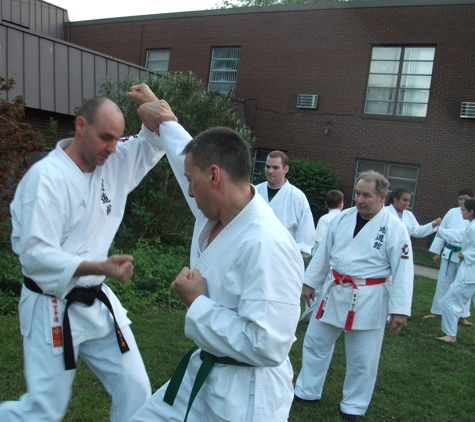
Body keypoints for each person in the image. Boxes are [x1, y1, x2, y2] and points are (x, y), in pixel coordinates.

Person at [127, 86, 304, 422]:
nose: (188, 190)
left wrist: (197, 303)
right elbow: (185, 156)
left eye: (192, 182)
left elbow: (267, 346)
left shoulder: (267, 244)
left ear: (214, 176)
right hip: (206, 373)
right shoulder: (216, 211)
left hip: (246, 399)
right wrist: (162, 118)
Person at [0, 95, 171, 421]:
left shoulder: (113, 161)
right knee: (43, 410)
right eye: (105, 137)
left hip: (96, 302)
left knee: (135, 388)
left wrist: (154, 110)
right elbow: (35, 255)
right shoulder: (45, 179)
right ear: (81, 125)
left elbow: (149, 145)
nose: (112, 146)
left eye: (116, 137)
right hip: (52, 304)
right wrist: (99, 267)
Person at [293, 171, 414, 422]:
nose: (359, 199)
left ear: (382, 197)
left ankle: (354, 406)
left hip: (368, 297)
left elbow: (404, 269)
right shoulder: (343, 218)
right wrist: (309, 282)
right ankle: (307, 390)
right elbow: (323, 253)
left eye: (366, 195)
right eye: (357, 193)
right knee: (315, 343)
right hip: (334, 290)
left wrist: (400, 308)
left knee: (363, 358)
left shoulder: (394, 228)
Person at [424, 187, 474, 324]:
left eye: (466, 199)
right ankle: (437, 311)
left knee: (463, 285)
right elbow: (445, 231)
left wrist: (439, 230)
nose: (462, 202)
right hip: (449, 251)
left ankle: (462, 315)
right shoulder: (452, 212)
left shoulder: (472, 217)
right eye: (460, 199)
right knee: (443, 283)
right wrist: (436, 251)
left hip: (465, 255)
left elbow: (460, 236)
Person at [256, 151, 315, 257]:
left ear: (286, 169)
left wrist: (293, 256)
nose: (270, 171)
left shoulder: (297, 197)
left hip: (283, 256)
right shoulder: (255, 192)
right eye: (267, 166)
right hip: (254, 253)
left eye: (275, 167)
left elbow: (305, 235)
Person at [300, 189, 344, 322]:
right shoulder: (345, 218)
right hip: (339, 261)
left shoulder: (325, 219)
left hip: (326, 258)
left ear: (326, 203)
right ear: (342, 203)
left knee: (318, 289)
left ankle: (310, 315)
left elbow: (319, 241)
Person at [436, 199, 475, 343]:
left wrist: (466, 255)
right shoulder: (471, 226)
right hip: (471, 272)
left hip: (469, 273)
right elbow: (459, 236)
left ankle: (451, 334)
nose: (461, 212)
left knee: (450, 300)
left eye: (464, 210)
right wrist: (438, 230)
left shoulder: (473, 227)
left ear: (471, 212)